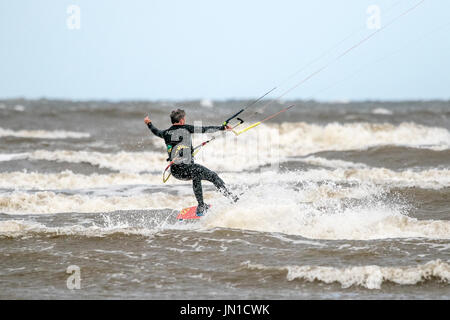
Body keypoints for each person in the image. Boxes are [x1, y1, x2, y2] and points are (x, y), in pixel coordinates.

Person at [145, 108, 238, 216]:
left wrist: (149, 123)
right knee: (213, 176)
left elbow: (155, 131)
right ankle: (232, 199)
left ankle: (202, 204)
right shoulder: (186, 128)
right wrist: (222, 128)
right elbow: (204, 129)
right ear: (181, 120)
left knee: (196, 174)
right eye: (184, 119)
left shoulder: (165, 133)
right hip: (186, 168)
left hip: (175, 171)